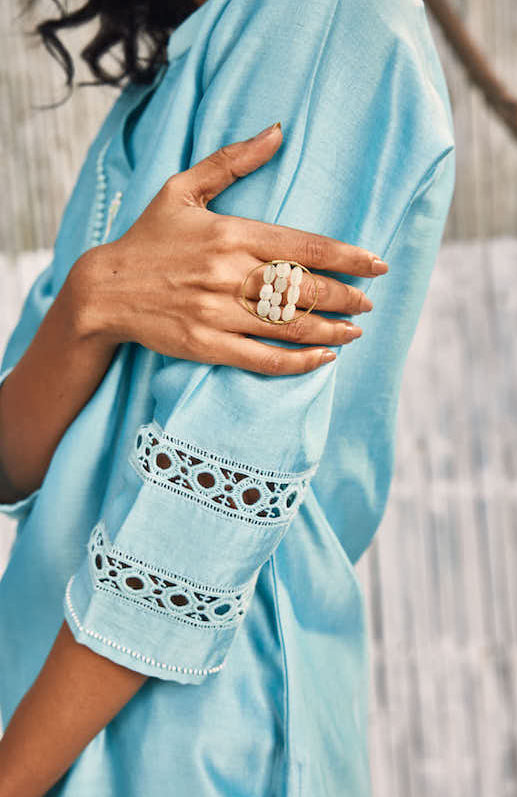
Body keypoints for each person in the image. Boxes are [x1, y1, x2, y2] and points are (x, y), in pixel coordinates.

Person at [0, 0, 455, 794]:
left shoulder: (330, 23)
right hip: (39, 698)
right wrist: (90, 300)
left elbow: (213, 490)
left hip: (194, 731)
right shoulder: (169, 70)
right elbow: (13, 461)